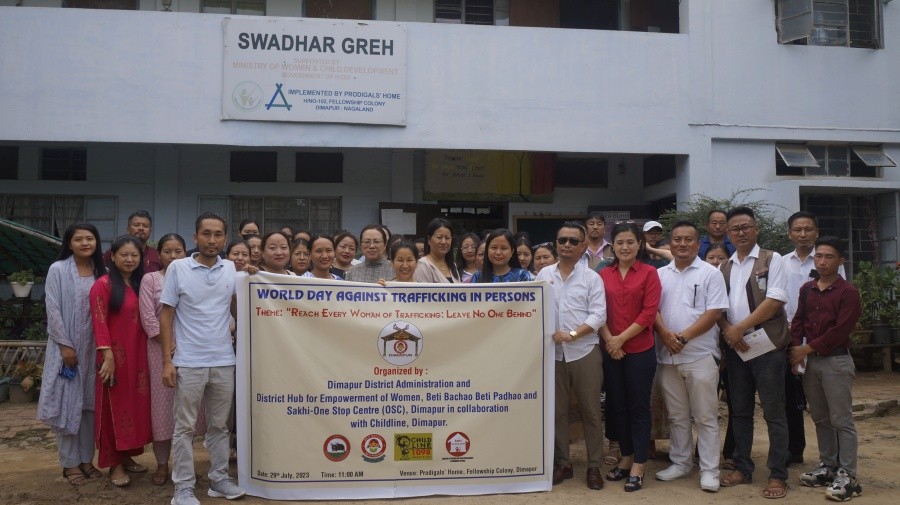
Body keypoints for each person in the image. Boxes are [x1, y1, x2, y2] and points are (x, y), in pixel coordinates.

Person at [160, 212, 246, 504]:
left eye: (218, 234)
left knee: (220, 426)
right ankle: (183, 487)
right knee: (184, 428)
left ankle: (219, 479)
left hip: (224, 360)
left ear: (224, 238)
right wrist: (167, 361)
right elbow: (167, 313)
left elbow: (239, 309)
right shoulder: (178, 268)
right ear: (195, 237)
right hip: (189, 361)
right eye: (206, 234)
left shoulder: (232, 269)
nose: (212, 240)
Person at [717, 206, 790, 499]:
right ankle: (743, 468)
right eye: (735, 229)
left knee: (774, 413)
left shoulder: (773, 259)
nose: (741, 233)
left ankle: (778, 474)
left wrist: (741, 327)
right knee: (740, 412)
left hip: (767, 346)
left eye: (746, 227)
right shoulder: (726, 266)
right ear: (728, 233)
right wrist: (728, 330)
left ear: (756, 229)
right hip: (736, 349)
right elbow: (717, 306)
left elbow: (775, 301)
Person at [652, 221, 729, 492]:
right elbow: (652, 310)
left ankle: (709, 470)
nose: (682, 244)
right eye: (676, 239)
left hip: (700, 356)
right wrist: (666, 336)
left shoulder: (710, 273)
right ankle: (681, 463)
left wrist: (682, 338)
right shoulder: (660, 275)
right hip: (667, 357)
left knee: (706, 416)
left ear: (698, 244)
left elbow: (714, 313)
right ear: (669, 243)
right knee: (676, 415)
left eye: (688, 239)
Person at [789, 236, 862, 502]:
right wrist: (796, 350)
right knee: (820, 417)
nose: (822, 261)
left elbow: (841, 331)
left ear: (841, 261)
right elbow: (798, 321)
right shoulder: (807, 289)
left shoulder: (848, 293)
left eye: (829, 256)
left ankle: (848, 475)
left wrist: (805, 349)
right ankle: (828, 466)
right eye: (818, 256)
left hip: (836, 361)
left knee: (842, 420)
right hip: (812, 363)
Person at [536, 221, 607, 491]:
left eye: (573, 241)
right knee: (557, 412)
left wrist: (573, 334)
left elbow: (599, 315)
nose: (566, 245)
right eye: (562, 240)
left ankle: (593, 466)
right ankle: (563, 463)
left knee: (590, 411)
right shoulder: (543, 274)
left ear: (583, 246)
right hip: (552, 354)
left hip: (584, 350)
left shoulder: (592, 278)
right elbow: (530, 306)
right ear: (556, 243)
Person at [38, 223, 106, 486]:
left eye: (90, 238)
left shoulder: (103, 271)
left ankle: (87, 460)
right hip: (65, 349)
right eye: (79, 239)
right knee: (68, 404)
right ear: (69, 243)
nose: (85, 243)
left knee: (89, 406)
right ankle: (69, 464)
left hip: (94, 350)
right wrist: (66, 346)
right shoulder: (58, 270)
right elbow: (52, 308)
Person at [139, 234, 207, 486]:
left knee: (189, 410)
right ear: (159, 255)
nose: (174, 256)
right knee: (163, 409)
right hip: (160, 352)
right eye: (168, 251)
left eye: (178, 251)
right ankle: (161, 465)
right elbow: (148, 317)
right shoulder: (150, 280)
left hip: (192, 349)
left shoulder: (195, 277)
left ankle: (185, 465)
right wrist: (167, 342)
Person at [598, 222, 661, 492]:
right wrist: (610, 340)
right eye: (620, 242)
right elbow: (597, 309)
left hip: (640, 350)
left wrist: (620, 339)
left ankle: (639, 464)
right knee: (618, 407)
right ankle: (625, 457)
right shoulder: (602, 274)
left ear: (640, 245)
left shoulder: (649, 273)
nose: (625, 247)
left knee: (638, 407)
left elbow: (649, 313)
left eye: (630, 242)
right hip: (610, 349)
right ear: (613, 246)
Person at [783, 211, 844, 467]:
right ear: (790, 234)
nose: (803, 234)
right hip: (789, 336)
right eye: (797, 229)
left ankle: (836, 459)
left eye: (808, 229)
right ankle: (795, 450)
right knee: (791, 398)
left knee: (830, 405)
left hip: (822, 341)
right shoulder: (781, 262)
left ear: (816, 232)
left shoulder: (829, 261)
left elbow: (840, 300)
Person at [91, 235, 152, 487]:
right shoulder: (102, 285)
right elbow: (99, 321)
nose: (129, 259)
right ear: (112, 257)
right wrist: (107, 356)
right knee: (113, 409)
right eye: (124, 255)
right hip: (113, 358)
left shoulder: (140, 284)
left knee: (134, 407)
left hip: (138, 358)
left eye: (134, 255)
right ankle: (114, 464)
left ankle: (127, 456)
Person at [704, 242, 736, 470]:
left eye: (721, 258)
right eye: (711, 258)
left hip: (736, 348)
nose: (716, 262)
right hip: (710, 352)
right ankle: (701, 453)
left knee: (736, 404)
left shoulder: (734, 281)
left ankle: (731, 452)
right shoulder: (703, 279)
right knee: (706, 407)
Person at [414, 218, 460, 283]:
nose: (443, 242)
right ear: (429, 240)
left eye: (447, 238)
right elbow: (423, 292)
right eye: (439, 237)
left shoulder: (453, 265)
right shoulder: (423, 265)